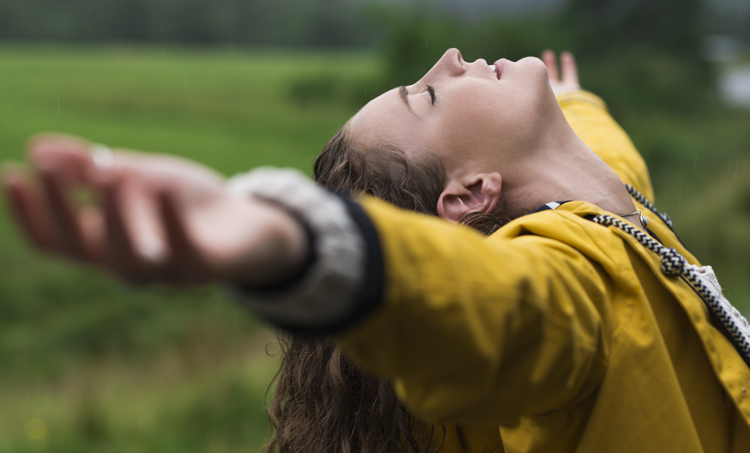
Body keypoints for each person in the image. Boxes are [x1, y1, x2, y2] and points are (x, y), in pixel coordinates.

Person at [2, 49, 750, 453]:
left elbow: (609, 165)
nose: (449, 59)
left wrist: (572, 105)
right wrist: (299, 244)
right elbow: (483, 307)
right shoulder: (568, 291)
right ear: (468, 195)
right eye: (426, 96)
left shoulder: (602, 194)